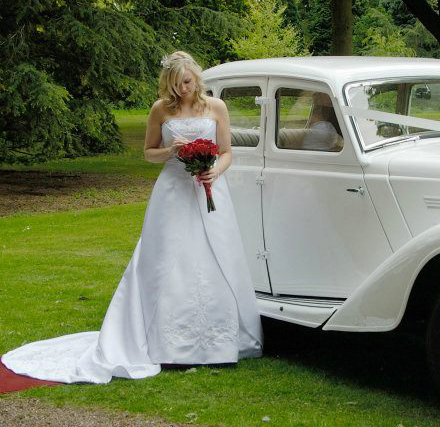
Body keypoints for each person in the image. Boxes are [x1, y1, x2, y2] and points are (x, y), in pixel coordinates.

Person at [1, 51, 263, 383]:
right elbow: (148, 153)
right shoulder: (160, 110)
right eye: (176, 84)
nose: (183, 89)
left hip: (208, 190)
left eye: (187, 82)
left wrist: (214, 172)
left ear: (196, 77)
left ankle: (220, 341)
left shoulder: (216, 107)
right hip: (172, 194)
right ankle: (166, 342)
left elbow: (226, 152)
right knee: (169, 259)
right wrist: (171, 151)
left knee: (215, 257)